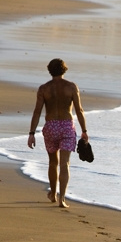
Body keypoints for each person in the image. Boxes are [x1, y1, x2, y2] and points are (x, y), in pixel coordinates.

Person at [28, 58, 88, 208]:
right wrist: (84, 131)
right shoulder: (71, 87)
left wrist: (31, 133)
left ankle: (53, 194)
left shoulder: (44, 89)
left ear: (50, 70)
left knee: (53, 162)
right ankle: (62, 199)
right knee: (64, 164)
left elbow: (37, 112)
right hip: (67, 126)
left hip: (51, 127)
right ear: (64, 69)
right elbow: (79, 110)